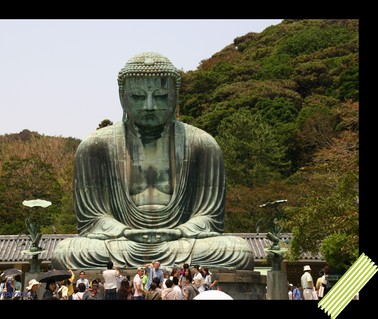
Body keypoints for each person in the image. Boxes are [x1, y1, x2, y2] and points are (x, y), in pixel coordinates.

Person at [51, 52, 254, 271]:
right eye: (138, 96)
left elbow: (209, 217)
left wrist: (180, 231)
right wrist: (123, 231)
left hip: (181, 241)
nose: (149, 106)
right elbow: (93, 219)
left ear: (174, 97)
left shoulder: (202, 144)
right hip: (121, 242)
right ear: (123, 97)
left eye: (160, 96)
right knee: (67, 251)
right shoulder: (95, 146)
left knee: (238, 250)